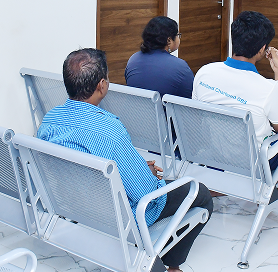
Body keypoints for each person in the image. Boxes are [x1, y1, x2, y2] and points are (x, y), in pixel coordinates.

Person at [38, 48, 213, 272]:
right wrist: (146, 174)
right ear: (102, 85)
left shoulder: (51, 120)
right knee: (199, 192)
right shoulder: (110, 130)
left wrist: (136, 167)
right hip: (116, 217)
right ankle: (170, 265)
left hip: (72, 205)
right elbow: (145, 194)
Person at [192, 11, 278, 201]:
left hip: (217, 151)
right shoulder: (267, 88)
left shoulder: (204, 73)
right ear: (262, 49)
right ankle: (273, 195)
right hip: (258, 159)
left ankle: (228, 187)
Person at [125, 16, 194, 98]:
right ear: (169, 40)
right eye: (178, 35)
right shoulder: (180, 67)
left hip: (136, 110)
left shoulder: (133, 59)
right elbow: (190, 101)